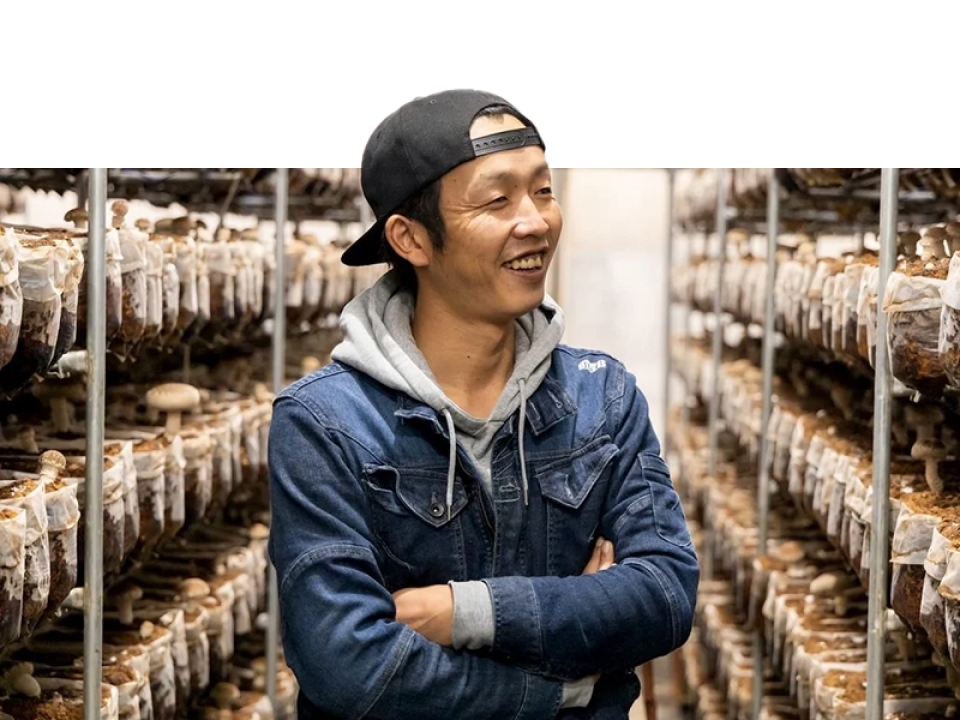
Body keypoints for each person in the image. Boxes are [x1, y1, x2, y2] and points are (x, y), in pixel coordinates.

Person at [267, 87, 700, 720]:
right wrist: (566, 686)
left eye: (543, 190)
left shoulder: (602, 398)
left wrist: (461, 613)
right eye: (498, 200)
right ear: (411, 239)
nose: (536, 221)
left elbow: (664, 596)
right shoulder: (326, 423)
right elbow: (348, 665)